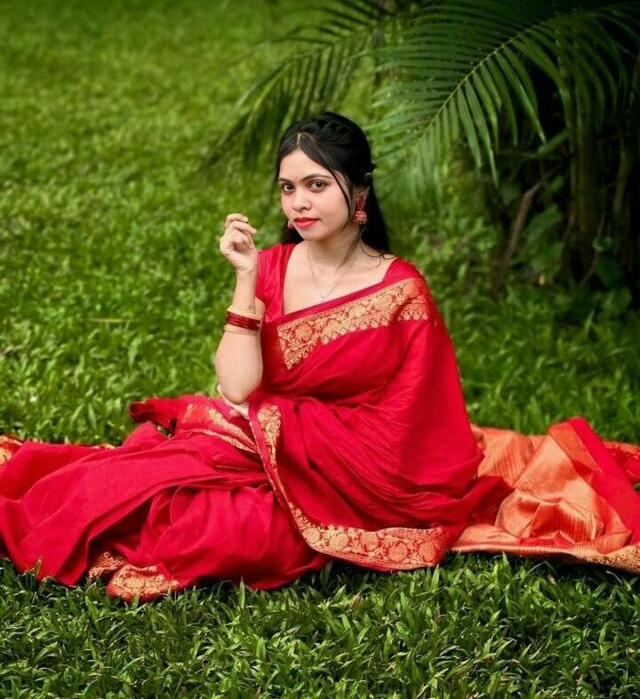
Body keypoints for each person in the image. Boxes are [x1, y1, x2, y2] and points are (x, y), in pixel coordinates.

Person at [1, 112, 639, 604]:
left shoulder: (400, 292)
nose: (299, 203)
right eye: (288, 188)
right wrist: (245, 280)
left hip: (347, 483)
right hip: (250, 445)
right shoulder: (271, 267)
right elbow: (237, 387)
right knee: (120, 488)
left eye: (316, 185)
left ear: (359, 190)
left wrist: (286, 427)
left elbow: (409, 428)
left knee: (226, 534)